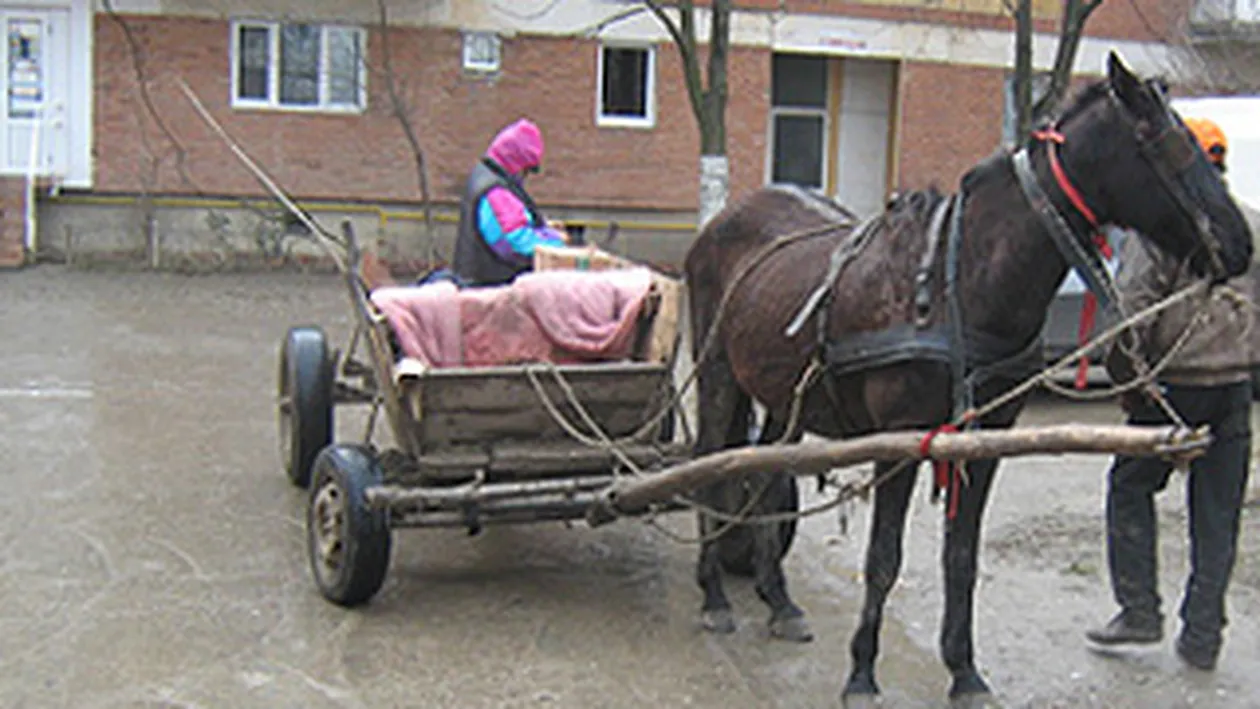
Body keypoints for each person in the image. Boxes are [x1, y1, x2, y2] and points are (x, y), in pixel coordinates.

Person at [1085, 116, 1254, 671]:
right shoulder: (1249, 225)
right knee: (1217, 515)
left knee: (1130, 487)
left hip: (1170, 389)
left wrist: (1129, 386)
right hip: (1231, 390)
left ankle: (1139, 611)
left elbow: (1128, 313)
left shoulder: (1157, 230)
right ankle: (1202, 637)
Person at [451, 117, 569, 286]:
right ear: (517, 162)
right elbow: (515, 242)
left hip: (475, 287)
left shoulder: (485, 178)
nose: (525, 175)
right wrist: (555, 241)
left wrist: (543, 228)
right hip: (490, 292)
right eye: (527, 169)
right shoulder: (496, 191)